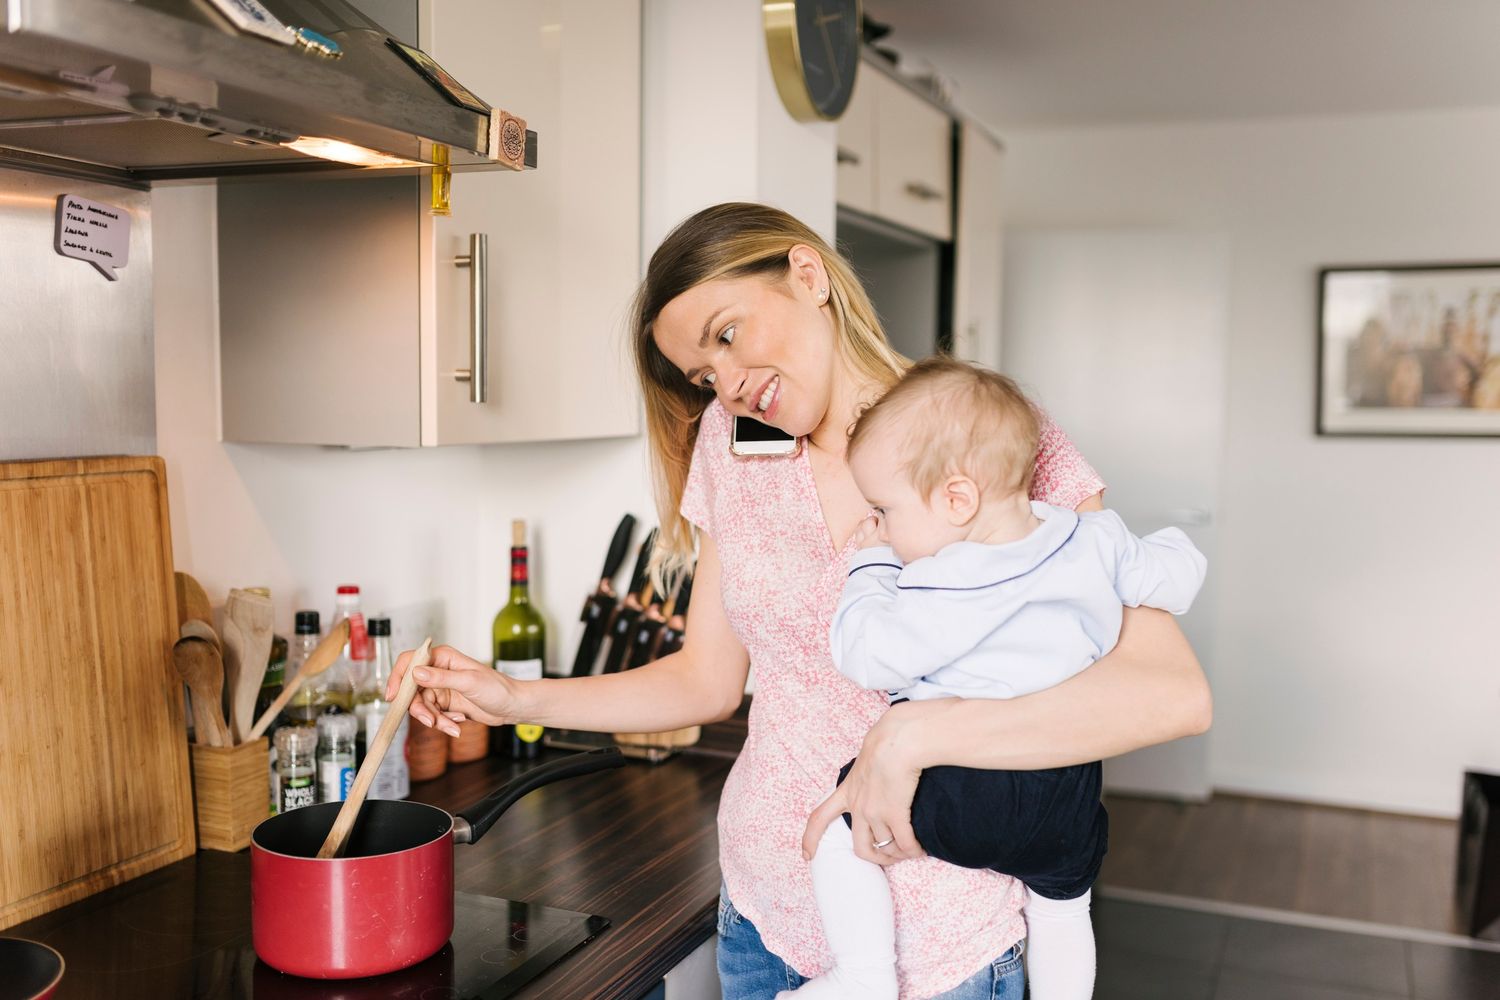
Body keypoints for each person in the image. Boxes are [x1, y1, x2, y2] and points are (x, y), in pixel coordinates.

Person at [388, 203, 1212, 999]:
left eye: (727, 334)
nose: (731, 385)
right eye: (705, 374)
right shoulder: (730, 448)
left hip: (943, 943)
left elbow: (1169, 693)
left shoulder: (988, 431)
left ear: (807, 274)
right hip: (763, 917)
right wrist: (515, 697)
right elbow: (707, 681)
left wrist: (911, 736)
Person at [786, 357, 1207, 1000]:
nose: (885, 527)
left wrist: (869, 566)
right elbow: (1174, 579)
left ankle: (863, 977)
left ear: (957, 499)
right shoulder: (1092, 539)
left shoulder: (941, 582)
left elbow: (867, 654)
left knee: (842, 827)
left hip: (969, 785)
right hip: (1067, 781)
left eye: (885, 509)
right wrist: (1174, 551)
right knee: (1063, 909)